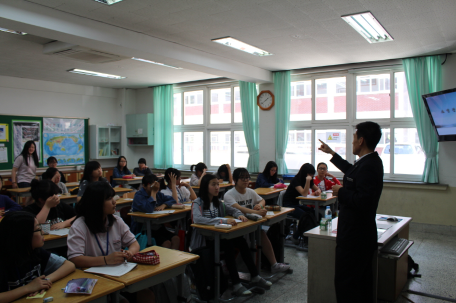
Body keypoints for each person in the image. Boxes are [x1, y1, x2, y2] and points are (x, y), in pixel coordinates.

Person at [318, 121, 383, 303]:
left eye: (354, 138)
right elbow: (352, 171)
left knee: (348, 284)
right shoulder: (367, 162)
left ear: (361, 140)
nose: (352, 142)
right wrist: (332, 153)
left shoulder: (369, 165)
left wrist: (341, 192)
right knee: (358, 283)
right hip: (358, 235)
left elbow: (364, 201)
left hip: (355, 237)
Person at [68, 181, 154, 303]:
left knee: (147, 295)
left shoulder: (116, 221)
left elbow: (134, 244)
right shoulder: (79, 226)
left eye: (113, 197)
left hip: (117, 275)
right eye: (109, 199)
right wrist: (106, 260)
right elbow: (75, 259)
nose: (114, 202)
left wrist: (130, 252)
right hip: (91, 279)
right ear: (96, 203)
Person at [191, 174, 272, 296]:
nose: (217, 187)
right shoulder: (198, 202)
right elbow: (197, 219)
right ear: (205, 186)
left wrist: (238, 214)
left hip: (219, 237)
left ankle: (255, 275)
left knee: (241, 241)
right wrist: (222, 220)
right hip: (204, 243)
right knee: (229, 245)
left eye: (218, 184)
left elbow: (232, 209)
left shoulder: (217, 201)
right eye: (213, 184)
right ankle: (236, 284)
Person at [223, 168, 290, 274]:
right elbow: (239, 209)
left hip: (250, 225)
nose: (246, 181)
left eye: (247, 178)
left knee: (262, 233)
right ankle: (246, 270)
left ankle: (274, 264)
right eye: (242, 178)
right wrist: (256, 213)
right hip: (236, 228)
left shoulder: (250, 191)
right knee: (252, 238)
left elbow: (262, 200)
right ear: (235, 180)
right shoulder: (229, 194)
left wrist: (260, 205)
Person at [0, 211, 75, 302]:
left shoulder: (35, 251)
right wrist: (28, 288)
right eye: (38, 229)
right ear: (23, 235)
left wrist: (44, 281)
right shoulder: (4, 259)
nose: (42, 232)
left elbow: (69, 265)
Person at [131, 174, 180, 249]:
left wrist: (164, 205)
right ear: (144, 186)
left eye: (156, 184)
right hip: (144, 229)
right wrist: (153, 192)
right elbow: (149, 209)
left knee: (176, 238)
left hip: (157, 227)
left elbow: (172, 200)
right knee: (166, 243)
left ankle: (173, 260)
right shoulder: (139, 196)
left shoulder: (158, 194)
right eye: (151, 185)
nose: (155, 187)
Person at [282, 163, 321, 244]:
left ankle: (313, 236)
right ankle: (296, 237)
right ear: (305, 173)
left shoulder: (308, 181)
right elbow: (304, 193)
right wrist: (307, 181)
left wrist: (317, 191)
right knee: (306, 217)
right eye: (310, 174)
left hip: (296, 204)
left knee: (315, 213)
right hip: (288, 205)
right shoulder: (295, 180)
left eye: (312, 174)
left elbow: (318, 189)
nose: (311, 176)